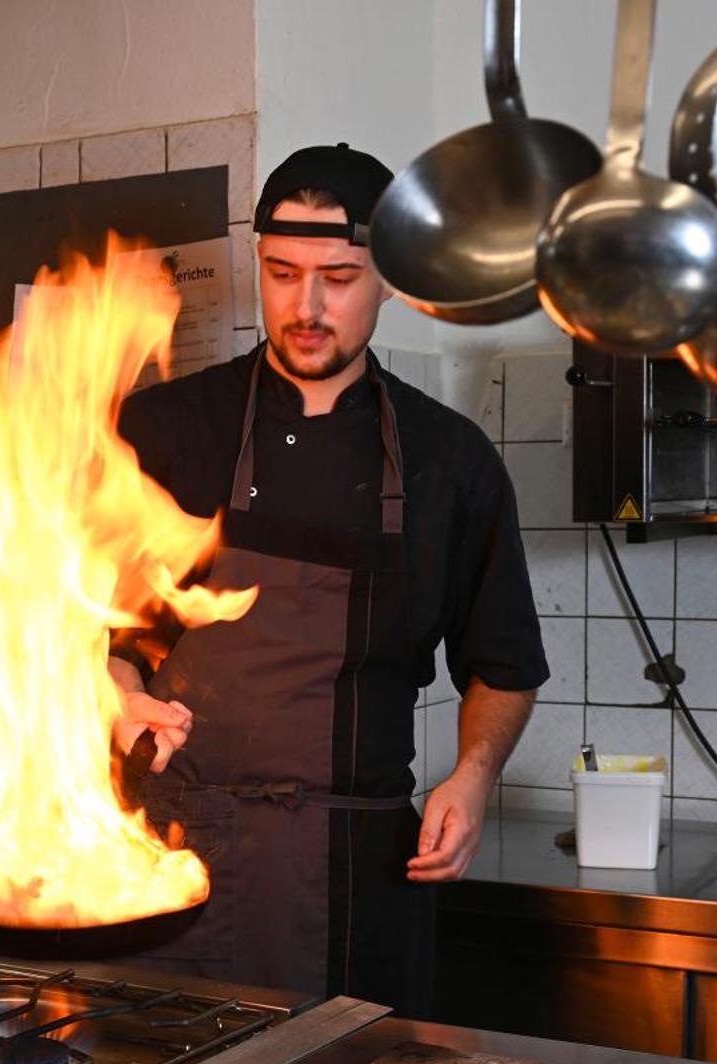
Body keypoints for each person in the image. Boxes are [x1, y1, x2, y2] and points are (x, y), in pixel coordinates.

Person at [108, 143, 547, 1015]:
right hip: (168, 862)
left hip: (362, 878)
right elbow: (82, 631)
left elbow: (502, 664)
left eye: (339, 278)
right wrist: (115, 691)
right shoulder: (164, 431)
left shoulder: (448, 461)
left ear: (388, 278)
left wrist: (472, 776)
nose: (306, 307)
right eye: (282, 273)